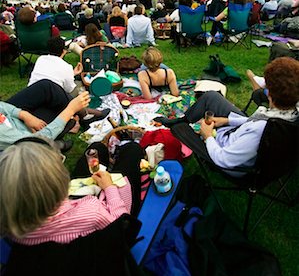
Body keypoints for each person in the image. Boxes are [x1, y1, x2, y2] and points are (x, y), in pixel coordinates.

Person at [155, 57, 299, 171]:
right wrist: (227, 120)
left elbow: (224, 159)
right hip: (241, 135)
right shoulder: (290, 114)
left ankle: (180, 124)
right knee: (211, 96)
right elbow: (254, 123)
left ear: (270, 94)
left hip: (231, 159)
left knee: (179, 129)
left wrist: (207, 136)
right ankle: (184, 119)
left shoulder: (262, 130)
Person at [0, 137, 144, 243]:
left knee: (96, 149)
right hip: (108, 218)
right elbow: (122, 226)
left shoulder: (14, 230)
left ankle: (107, 156)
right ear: (61, 182)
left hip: (69, 206)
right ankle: (125, 150)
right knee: (133, 150)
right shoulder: (92, 213)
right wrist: (109, 188)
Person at [0, 81, 91, 152]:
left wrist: (25, 115)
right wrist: (70, 110)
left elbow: (3, 106)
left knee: (46, 87)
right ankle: (56, 144)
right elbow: (33, 142)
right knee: (68, 120)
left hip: (15, 122)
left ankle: (83, 114)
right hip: (24, 142)